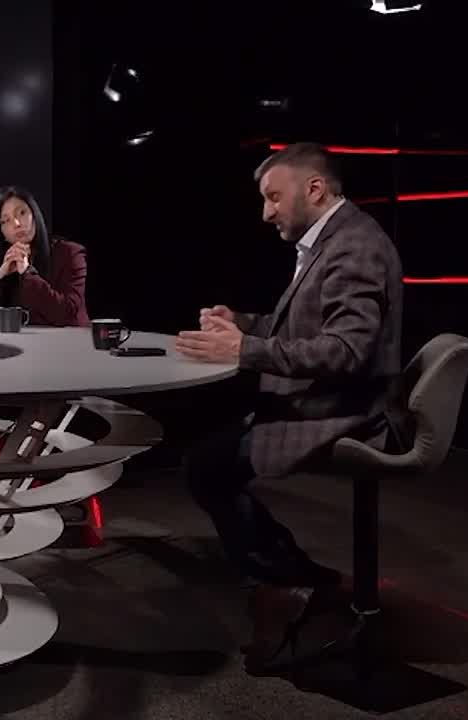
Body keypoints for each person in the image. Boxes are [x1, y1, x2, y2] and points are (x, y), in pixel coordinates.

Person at [173, 142, 408, 672]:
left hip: (350, 411)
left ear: (314, 189)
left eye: (274, 197)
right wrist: (243, 323)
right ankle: (294, 571)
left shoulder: (354, 247)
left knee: (206, 467)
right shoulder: (334, 240)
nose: (266, 212)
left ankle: (282, 583)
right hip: (331, 399)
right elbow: (306, 330)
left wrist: (245, 350)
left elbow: (346, 351)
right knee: (210, 459)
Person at [0, 186, 90, 327]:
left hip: (68, 339)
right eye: (6, 220)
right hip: (20, 340)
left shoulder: (70, 253)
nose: (17, 224)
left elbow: (67, 315)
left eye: (22, 213)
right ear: (1, 233)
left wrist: (27, 272)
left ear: (34, 215)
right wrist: (0, 275)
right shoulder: (0, 260)